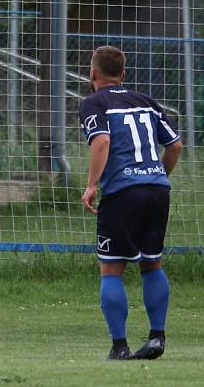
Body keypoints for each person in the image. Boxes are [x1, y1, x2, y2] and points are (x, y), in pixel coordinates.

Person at [79, 45, 182, 360]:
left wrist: (92, 185)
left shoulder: (94, 103)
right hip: (157, 189)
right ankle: (156, 338)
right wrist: (156, 176)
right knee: (152, 264)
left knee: (111, 269)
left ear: (92, 73)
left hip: (123, 192)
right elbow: (175, 145)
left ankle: (119, 346)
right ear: (123, 75)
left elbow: (102, 140)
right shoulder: (146, 102)